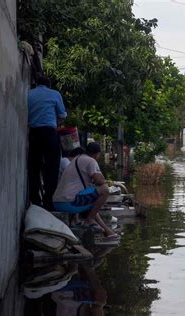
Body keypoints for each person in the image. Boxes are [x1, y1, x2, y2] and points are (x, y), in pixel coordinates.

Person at [53, 142, 117, 238]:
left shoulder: (77, 159)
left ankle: (107, 230)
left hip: (57, 202)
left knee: (94, 201)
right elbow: (100, 181)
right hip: (68, 203)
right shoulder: (91, 161)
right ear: (97, 154)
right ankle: (89, 220)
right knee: (104, 189)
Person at [28, 74, 67, 211]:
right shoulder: (55, 94)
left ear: (36, 83)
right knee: (52, 168)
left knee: (34, 167)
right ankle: (49, 201)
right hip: (50, 133)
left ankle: (35, 200)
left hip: (34, 133)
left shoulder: (29, 94)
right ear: (49, 85)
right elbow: (62, 115)